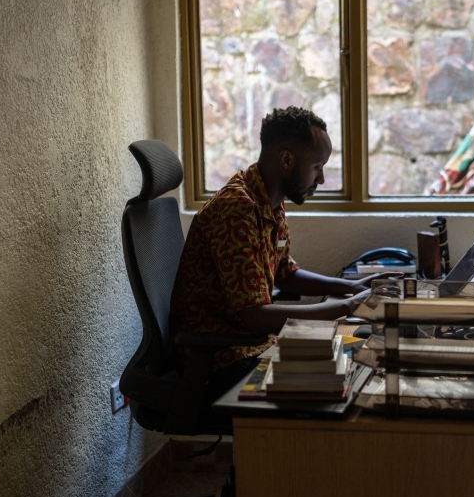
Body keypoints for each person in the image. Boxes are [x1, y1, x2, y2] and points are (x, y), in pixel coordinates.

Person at [170, 106, 398, 385]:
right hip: (221, 360)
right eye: (317, 167)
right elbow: (255, 316)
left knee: (361, 356)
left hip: (253, 346)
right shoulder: (237, 209)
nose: (322, 179)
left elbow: (285, 274)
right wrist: (349, 306)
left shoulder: (270, 203)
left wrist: (350, 287)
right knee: (352, 375)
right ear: (287, 159)